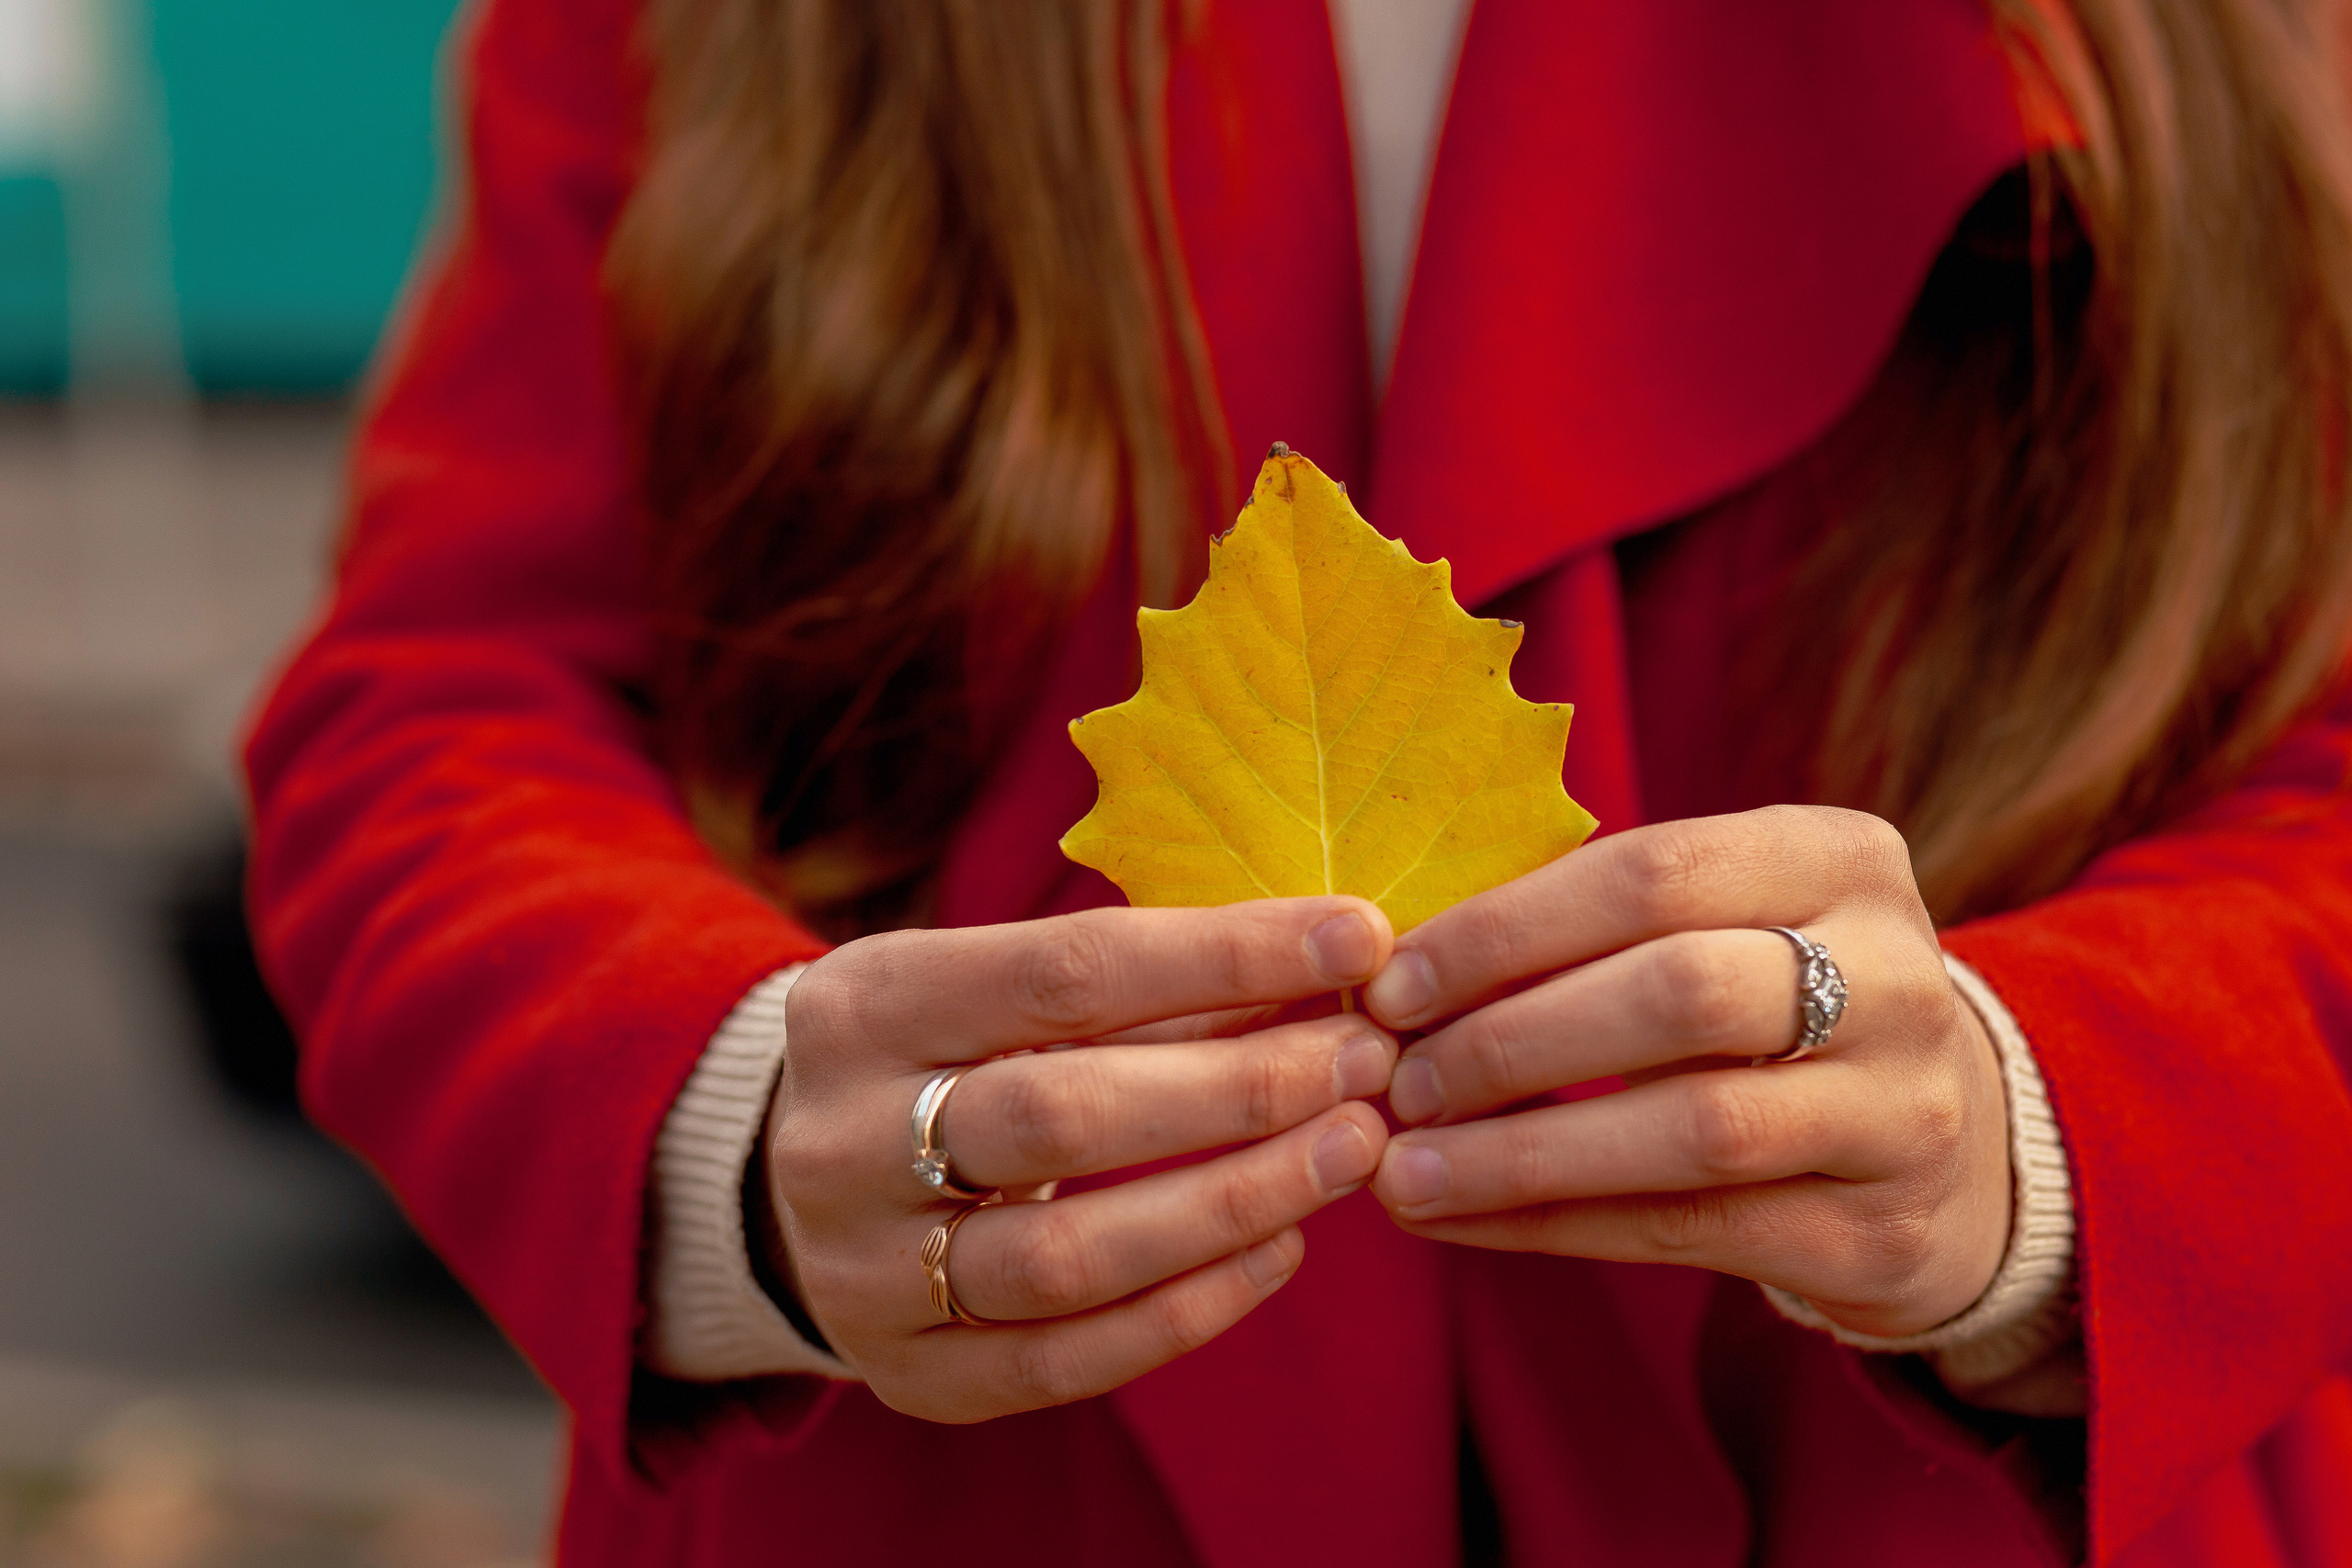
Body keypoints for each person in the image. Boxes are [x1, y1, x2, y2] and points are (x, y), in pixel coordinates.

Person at [243, 0, 2352, 1562]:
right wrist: (724, 1129)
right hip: (962, 1490)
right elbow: (440, 704)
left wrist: (2053, 1120)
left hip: (1944, 1499)